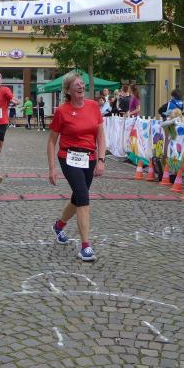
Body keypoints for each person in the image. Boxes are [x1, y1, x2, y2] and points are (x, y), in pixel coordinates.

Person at [47, 72, 106, 262]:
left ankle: (59, 225)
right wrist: (52, 168)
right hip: (69, 157)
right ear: (68, 90)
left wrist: (101, 159)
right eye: (76, 85)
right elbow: (51, 141)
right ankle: (85, 247)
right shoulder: (62, 111)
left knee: (77, 197)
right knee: (83, 197)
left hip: (89, 158)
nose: (81, 86)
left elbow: (101, 135)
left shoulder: (93, 106)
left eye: (82, 83)